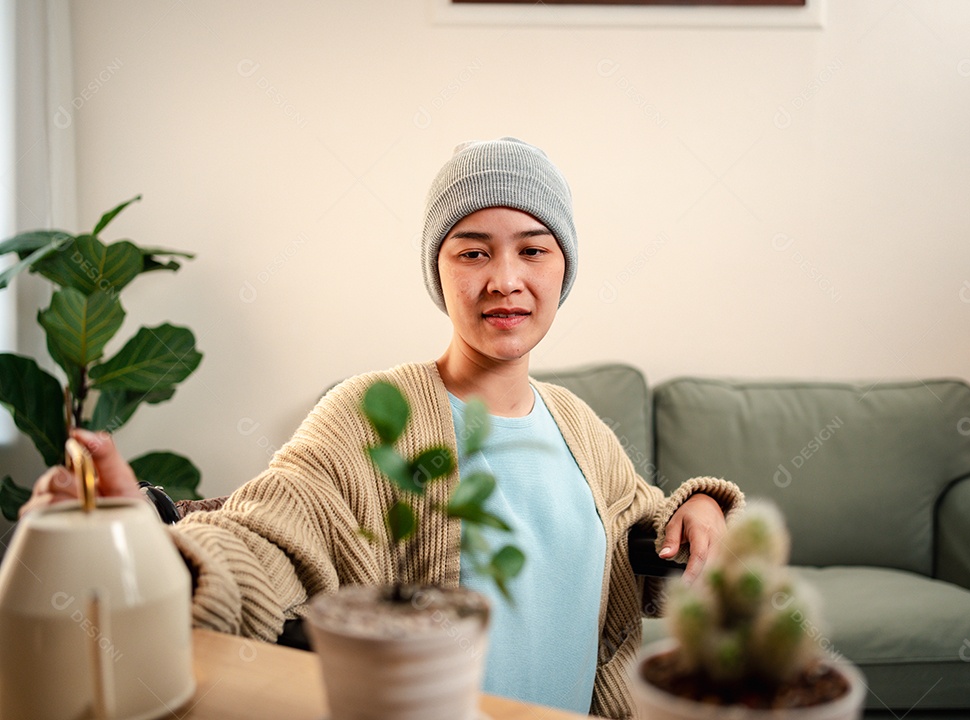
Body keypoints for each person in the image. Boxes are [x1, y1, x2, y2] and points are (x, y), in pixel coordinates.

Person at [23, 137, 744, 719]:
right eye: (472, 250)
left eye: (532, 249)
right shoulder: (373, 413)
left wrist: (700, 502)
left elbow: (638, 521)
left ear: (564, 269)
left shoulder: (580, 426)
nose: (505, 279)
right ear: (438, 268)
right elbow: (269, 531)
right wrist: (142, 541)